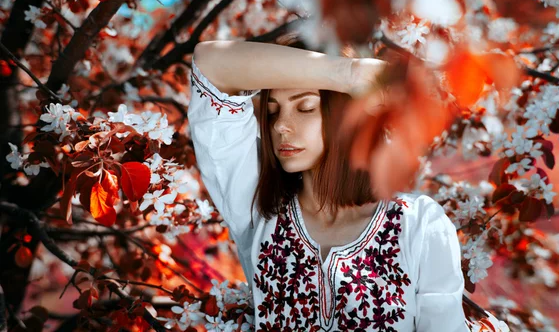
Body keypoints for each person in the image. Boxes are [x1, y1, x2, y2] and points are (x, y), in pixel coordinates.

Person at [187, 37, 469, 331]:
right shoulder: (258, 210)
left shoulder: (419, 225)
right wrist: (347, 74)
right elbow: (209, 66)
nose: (279, 126)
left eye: (305, 107)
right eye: (272, 112)